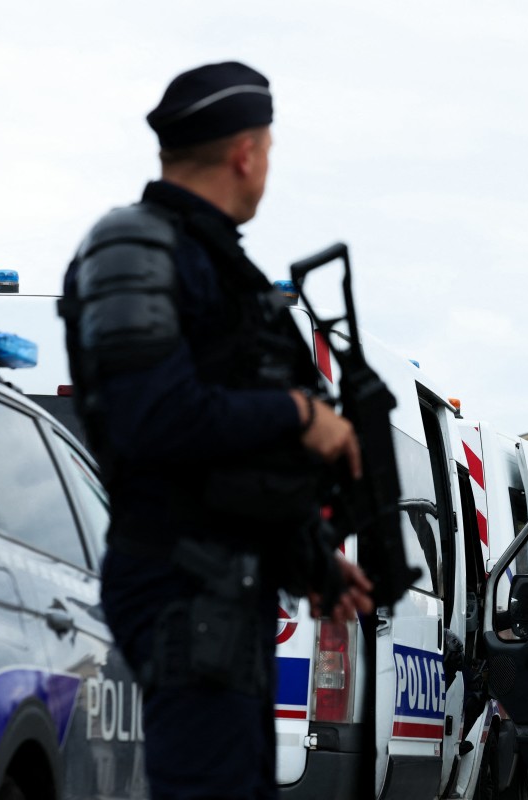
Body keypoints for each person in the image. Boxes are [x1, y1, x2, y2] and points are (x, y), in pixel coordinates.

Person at [60, 61, 374, 800]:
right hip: (180, 583)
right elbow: (157, 420)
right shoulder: (134, 247)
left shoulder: (223, 267)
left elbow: (236, 463)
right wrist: (303, 417)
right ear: (246, 153)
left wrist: (317, 562)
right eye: (267, 148)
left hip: (228, 587)